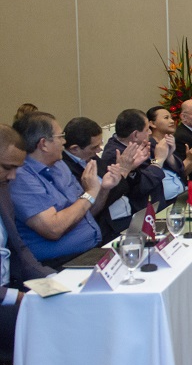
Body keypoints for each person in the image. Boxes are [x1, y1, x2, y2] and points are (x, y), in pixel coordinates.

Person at [10, 112, 122, 267]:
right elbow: (53, 229)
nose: (64, 141)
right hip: (59, 263)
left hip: (91, 252)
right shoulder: (21, 178)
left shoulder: (59, 165)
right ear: (44, 144)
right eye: (60, 136)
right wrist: (89, 193)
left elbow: (86, 211)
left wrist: (103, 189)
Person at [0, 125, 55, 365]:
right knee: (45, 323)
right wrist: (19, 297)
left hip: (10, 287)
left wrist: (52, 280)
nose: (12, 177)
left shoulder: (2, 189)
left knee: (60, 307)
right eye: (7, 167)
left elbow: (19, 248)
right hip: (5, 296)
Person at [62, 117, 147, 242]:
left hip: (127, 215)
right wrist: (123, 171)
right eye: (94, 147)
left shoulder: (91, 157)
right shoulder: (65, 169)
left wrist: (130, 169)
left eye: (100, 143)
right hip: (106, 227)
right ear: (75, 149)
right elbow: (92, 207)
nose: (100, 150)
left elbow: (123, 188)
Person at [100, 109, 168, 213]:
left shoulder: (141, 144)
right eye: (147, 129)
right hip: (141, 213)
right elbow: (139, 189)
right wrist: (158, 161)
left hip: (157, 207)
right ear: (135, 135)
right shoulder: (115, 155)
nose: (150, 132)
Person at [147, 107, 188, 205]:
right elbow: (152, 170)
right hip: (161, 202)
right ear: (152, 124)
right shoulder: (148, 145)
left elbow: (181, 170)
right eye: (166, 118)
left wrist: (170, 156)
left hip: (180, 195)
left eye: (171, 118)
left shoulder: (170, 141)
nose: (171, 121)